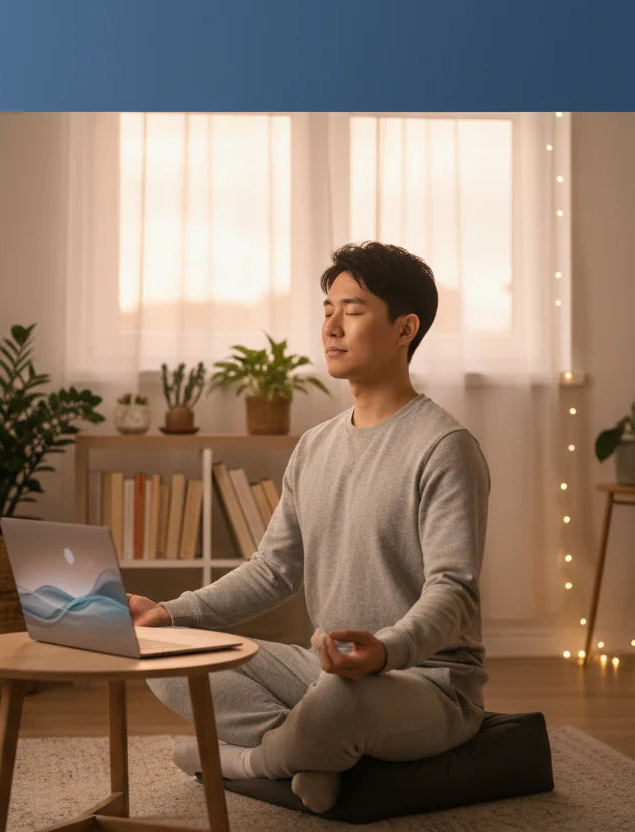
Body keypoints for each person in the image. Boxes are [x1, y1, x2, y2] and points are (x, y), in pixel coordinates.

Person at [128, 241, 491, 814]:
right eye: (327, 310)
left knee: (339, 706)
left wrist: (385, 651)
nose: (331, 326)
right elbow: (273, 570)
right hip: (324, 668)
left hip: (427, 682)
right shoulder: (315, 446)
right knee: (164, 656)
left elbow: (453, 591)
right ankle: (316, 753)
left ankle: (247, 763)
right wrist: (172, 615)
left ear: (405, 328)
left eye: (353, 310)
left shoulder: (444, 447)